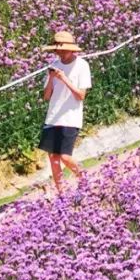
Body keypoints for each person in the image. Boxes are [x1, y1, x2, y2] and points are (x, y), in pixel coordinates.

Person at [40, 29, 92, 195]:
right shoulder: (53, 66)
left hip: (71, 118)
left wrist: (64, 79)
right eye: (58, 49)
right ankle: (62, 193)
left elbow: (80, 95)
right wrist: (51, 79)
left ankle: (85, 181)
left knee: (65, 157)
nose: (60, 53)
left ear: (72, 49)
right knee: (53, 158)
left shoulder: (82, 65)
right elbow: (46, 96)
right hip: (53, 118)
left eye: (63, 49)